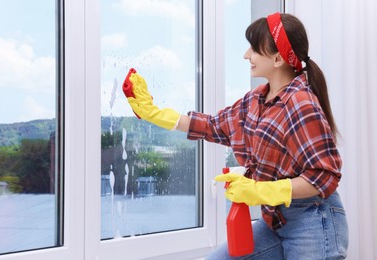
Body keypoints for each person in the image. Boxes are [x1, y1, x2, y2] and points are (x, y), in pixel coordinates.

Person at [124, 12, 349, 260]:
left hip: (314, 220)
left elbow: (324, 177)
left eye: (254, 48)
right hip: (276, 220)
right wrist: (154, 113)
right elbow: (212, 126)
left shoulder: (301, 103)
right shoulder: (255, 100)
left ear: (277, 58)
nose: (246, 55)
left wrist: (260, 190)